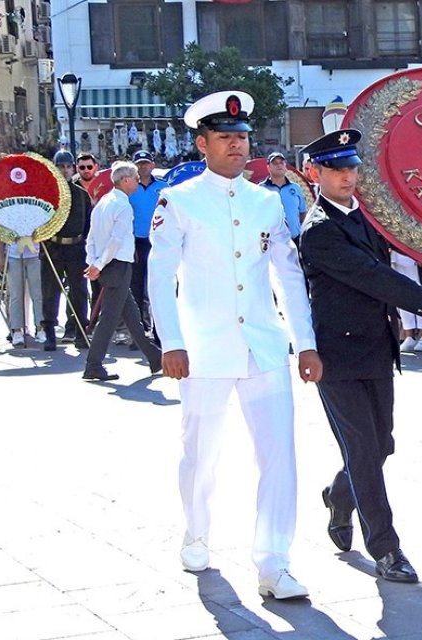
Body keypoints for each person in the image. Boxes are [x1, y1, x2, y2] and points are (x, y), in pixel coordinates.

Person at [148, 91, 322, 600]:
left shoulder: (265, 201)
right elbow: (160, 277)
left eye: (242, 137)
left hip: (263, 348)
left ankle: (274, 563)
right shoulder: (178, 200)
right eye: (225, 137)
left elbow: (289, 275)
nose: (236, 145)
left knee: (279, 457)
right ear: (202, 143)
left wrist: (304, 342)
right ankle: (197, 533)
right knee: (201, 454)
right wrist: (171, 341)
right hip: (203, 349)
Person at [298, 128, 422, 582]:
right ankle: (386, 549)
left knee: (382, 444)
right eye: (337, 169)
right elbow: (374, 276)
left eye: (352, 167)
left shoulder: (363, 217)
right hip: (336, 355)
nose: (348, 176)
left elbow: (407, 244)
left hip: (375, 348)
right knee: (363, 449)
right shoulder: (318, 231)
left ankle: (339, 495)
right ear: (316, 173)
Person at [81, 161, 162, 380]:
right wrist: (97, 264)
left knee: (132, 316)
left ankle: (155, 358)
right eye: (135, 177)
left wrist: (94, 262)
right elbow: (116, 239)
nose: (138, 180)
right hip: (117, 264)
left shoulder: (104, 202)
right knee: (109, 318)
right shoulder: (123, 205)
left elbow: (92, 237)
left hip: (107, 264)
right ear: (125, 180)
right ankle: (93, 364)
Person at [40, 150, 93, 350]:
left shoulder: (81, 194)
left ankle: (80, 331)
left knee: (79, 292)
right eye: (61, 166)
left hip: (76, 248)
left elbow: (88, 224)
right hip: (53, 247)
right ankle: (50, 334)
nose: (65, 170)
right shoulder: (46, 194)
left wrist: (88, 248)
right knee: (50, 293)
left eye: (68, 166)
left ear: (73, 168)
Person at [128, 150, 166, 334]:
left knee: (158, 286)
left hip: (158, 241)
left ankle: (159, 329)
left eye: (146, 163)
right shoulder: (129, 188)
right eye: (139, 164)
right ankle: (139, 329)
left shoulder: (164, 188)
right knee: (136, 286)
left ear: (152, 165)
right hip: (136, 242)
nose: (143, 167)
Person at [0, 234, 44, 348]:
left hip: (35, 255)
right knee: (16, 294)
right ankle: (17, 330)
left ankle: (40, 327)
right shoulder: (8, 215)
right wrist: (1, 258)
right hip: (13, 256)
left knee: (38, 294)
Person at [261, 152, 309, 240]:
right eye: (275, 163)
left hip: (295, 238)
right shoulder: (260, 189)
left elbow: (303, 212)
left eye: (281, 163)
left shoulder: (296, 188)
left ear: (285, 166)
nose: (279, 165)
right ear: (268, 167)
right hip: (271, 240)